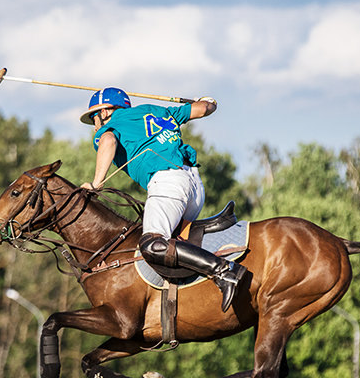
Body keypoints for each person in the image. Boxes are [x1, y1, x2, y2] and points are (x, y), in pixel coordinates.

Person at [79, 87, 246, 312]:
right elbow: (205, 109)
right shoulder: (159, 111)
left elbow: (108, 141)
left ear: (107, 111)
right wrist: (208, 101)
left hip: (169, 184)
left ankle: (224, 272)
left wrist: (96, 183)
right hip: (195, 186)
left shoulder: (110, 127)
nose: (95, 124)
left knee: (151, 244)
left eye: (94, 116)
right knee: (172, 244)